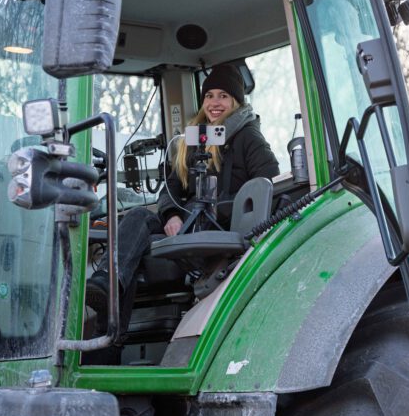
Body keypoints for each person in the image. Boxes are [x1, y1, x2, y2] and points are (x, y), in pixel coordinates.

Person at [86, 63, 280, 340]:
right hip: (186, 223)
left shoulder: (248, 136)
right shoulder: (194, 138)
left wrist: (221, 208)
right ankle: (107, 286)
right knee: (138, 218)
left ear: (236, 101)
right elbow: (172, 188)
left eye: (223, 96)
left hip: (217, 228)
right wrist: (171, 215)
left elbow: (267, 184)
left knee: (137, 250)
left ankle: (111, 335)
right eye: (209, 96)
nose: (214, 103)